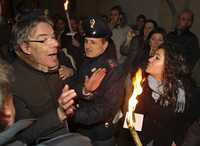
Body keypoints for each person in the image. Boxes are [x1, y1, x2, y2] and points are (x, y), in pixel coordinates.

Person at [10, 10, 100, 145]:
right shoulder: (11, 81)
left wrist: (85, 91)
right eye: (44, 39)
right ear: (26, 47)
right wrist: (59, 114)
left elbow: (71, 88)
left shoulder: (56, 61)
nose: (55, 44)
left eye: (53, 36)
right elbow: (21, 137)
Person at [59, 16, 126, 146]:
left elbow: (107, 108)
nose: (88, 46)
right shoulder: (87, 60)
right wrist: (83, 89)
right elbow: (76, 85)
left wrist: (74, 115)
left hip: (100, 133)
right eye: (86, 41)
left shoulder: (112, 70)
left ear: (105, 45)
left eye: (93, 42)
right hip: (82, 129)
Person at [118, 43, 191, 146]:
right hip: (139, 139)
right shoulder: (143, 84)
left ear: (168, 65)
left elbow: (183, 123)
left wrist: (175, 141)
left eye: (157, 58)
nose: (150, 59)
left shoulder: (182, 94)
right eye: (153, 56)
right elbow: (132, 119)